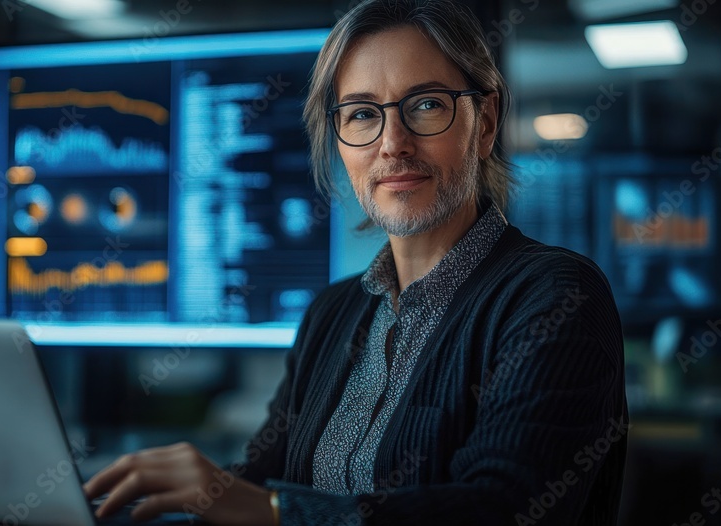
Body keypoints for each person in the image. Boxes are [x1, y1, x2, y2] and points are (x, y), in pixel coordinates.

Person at [83, 1, 628, 524]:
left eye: (427, 105)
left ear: (484, 123)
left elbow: (502, 508)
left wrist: (271, 512)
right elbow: (252, 484)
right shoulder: (331, 313)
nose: (393, 143)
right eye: (364, 114)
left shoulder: (555, 295)